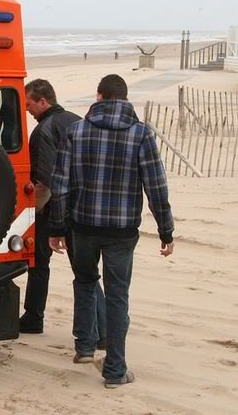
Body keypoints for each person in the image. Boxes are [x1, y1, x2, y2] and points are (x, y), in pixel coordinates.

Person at [49, 74, 174, 388]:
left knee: (86, 281)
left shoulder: (76, 131)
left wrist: (56, 226)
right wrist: (166, 230)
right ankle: (115, 371)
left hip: (83, 225)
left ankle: (84, 346)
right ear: (125, 99)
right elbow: (156, 187)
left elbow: (60, 184)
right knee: (117, 296)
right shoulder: (141, 134)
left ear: (99, 96)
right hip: (121, 229)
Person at [20, 79, 106, 343]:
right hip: (86, 206)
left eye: (29, 105)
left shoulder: (43, 130)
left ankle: (34, 317)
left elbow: (47, 179)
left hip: (55, 209)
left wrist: (36, 211)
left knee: (39, 263)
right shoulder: (78, 122)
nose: (28, 111)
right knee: (86, 271)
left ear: (43, 101)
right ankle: (102, 330)